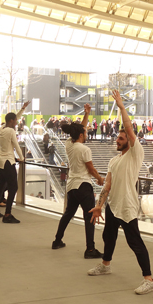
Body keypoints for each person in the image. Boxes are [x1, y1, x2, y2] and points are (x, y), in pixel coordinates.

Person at [88, 90, 153, 295]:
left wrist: (122, 107)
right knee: (109, 237)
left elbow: (128, 127)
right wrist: (99, 205)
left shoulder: (135, 154)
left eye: (120, 138)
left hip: (127, 205)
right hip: (113, 205)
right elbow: (107, 185)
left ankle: (149, 279)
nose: (117, 140)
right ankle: (106, 265)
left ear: (129, 140)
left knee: (135, 242)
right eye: (117, 138)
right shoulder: (113, 160)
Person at [52, 106, 105, 256]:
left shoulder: (69, 144)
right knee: (89, 217)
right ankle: (90, 249)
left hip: (72, 186)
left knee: (68, 214)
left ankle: (57, 241)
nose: (87, 132)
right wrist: (100, 178)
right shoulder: (84, 149)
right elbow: (91, 169)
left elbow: (79, 128)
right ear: (82, 135)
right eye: (86, 131)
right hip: (84, 186)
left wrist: (86, 114)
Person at [0, 102, 29, 223]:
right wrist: (22, 158)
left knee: (2, 185)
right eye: (16, 120)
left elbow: (13, 117)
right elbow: (16, 146)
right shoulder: (11, 132)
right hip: (8, 161)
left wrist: (22, 109)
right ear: (12, 121)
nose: (17, 122)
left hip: (0, 160)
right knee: (13, 187)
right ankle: (7, 214)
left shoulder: (1, 128)